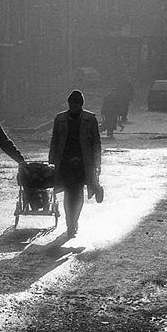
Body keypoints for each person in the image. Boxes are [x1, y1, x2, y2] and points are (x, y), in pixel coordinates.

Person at [49, 90, 102, 238]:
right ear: (69, 104)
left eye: (76, 104)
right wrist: (52, 160)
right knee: (68, 194)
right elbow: (55, 140)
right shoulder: (59, 119)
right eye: (72, 104)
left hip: (83, 163)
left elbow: (96, 143)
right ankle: (70, 223)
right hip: (65, 162)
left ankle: (73, 221)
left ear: (81, 105)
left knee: (77, 194)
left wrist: (97, 164)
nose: (73, 107)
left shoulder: (90, 119)